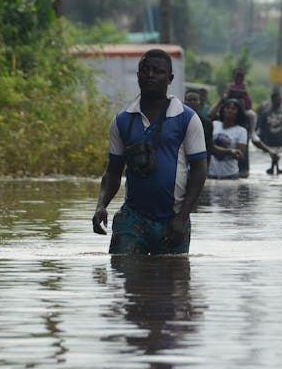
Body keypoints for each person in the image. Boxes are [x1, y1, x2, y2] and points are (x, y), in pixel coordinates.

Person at [92, 49, 208, 255]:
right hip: (133, 218)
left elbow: (199, 170)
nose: (150, 75)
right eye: (145, 70)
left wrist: (182, 217)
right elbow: (113, 172)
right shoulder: (122, 121)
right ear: (138, 75)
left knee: (173, 281)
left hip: (173, 219)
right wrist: (101, 205)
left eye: (158, 71)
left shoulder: (187, 119)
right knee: (122, 275)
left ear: (170, 78)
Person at [185, 89, 242, 165]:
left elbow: (211, 148)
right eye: (189, 100)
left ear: (200, 103)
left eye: (195, 100)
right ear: (184, 102)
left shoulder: (207, 123)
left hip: (199, 165)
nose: (192, 102)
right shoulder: (176, 121)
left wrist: (230, 151)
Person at [208, 99, 248, 180]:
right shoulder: (214, 124)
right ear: (223, 110)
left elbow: (240, 157)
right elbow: (209, 116)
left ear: (238, 113)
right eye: (227, 108)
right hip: (211, 174)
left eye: (233, 109)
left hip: (231, 175)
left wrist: (226, 147)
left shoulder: (241, 131)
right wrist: (221, 99)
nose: (229, 110)